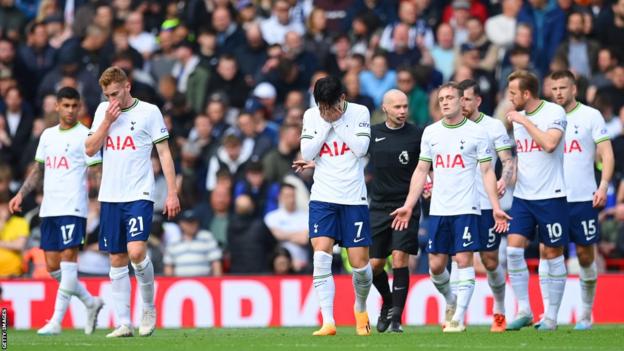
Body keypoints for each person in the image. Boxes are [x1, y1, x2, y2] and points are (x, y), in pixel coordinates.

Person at [391, 82, 510, 333]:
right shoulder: (431, 132)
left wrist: (496, 206)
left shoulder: (477, 133)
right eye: (441, 98)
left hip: (467, 207)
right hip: (439, 208)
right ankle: (451, 300)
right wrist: (409, 205)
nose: (444, 102)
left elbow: (487, 171)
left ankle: (458, 318)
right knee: (435, 266)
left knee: (464, 259)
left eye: (449, 98)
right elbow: (422, 170)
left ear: (460, 101)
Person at [85, 67, 180, 338]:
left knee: (137, 252)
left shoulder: (149, 112)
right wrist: (106, 122)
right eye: (107, 95)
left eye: (115, 93)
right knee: (116, 258)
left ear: (128, 86)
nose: (112, 99)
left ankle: (148, 308)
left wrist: (172, 192)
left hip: (139, 193)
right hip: (111, 195)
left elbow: (164, 153)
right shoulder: (103, 112)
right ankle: (124, 323)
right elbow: (90, 148)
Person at [8, 87, 104, 335]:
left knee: (69, 261)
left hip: (74, 207)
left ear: (79, 107)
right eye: (66, 105)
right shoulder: (48, 136)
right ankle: (91, 302)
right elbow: (38, 170)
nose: (70, 110)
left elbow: (96, 170)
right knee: (53, 267)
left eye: (75, 106)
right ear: (57, 107)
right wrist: (20, 193)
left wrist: (104, 198)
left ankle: (56, 321)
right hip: (49, 207)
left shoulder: (86, 135)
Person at [298, 76, 372, 336]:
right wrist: (325, 124)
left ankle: (360, 307)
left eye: (329, 106)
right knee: (320, 254)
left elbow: (362, 148)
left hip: (353, 198)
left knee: (360, 265)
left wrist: (337, 122)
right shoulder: (311, 115)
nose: (325, 112)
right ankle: (328, 321)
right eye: (321, 107)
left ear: (342, 99)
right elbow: (307, 153)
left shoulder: (360, 112)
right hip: (322, 196)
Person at [550, 70, 614, 330]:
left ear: (574, 89)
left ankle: (586, 314)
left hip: (582, 198)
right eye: (554, 89)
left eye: (563, 88)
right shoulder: (545, 117)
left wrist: (603, 185)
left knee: (586, 256)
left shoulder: (590, 116)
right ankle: (550, 316)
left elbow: (607, 154)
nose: (558, 93)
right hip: (551, 198)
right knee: (550, 253)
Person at [504, 70, 568, 331]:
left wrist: (524, 121)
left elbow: (550, 144)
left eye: (513, 93)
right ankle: (525, 310)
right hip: (523, 196)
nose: (510, 98)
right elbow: (523, 155)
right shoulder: (519, 120)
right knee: (513, 250)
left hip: (551, 196)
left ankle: (551, 317)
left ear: (526, 94)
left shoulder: (554, 113)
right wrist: (506, 177)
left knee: (553, 254)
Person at [452, 79, 515, 332]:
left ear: (478, 101)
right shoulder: (448, 127)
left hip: (486, 204)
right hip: (457, 204)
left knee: (490, 261)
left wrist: (503, 178)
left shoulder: (493, 126)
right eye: (460, 99)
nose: (462, 103)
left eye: (467, 99)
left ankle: (499, 309)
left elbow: (507, 159)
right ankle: (455, 314)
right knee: (460, 259)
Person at [365, 89, 422, 333]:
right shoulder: (372, 134)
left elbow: (426, 166)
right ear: (385, 108)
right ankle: (388, 303)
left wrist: (428, 184)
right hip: (378, 206)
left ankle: (397, 320)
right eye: (397, 107)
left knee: (400, 258)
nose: (402, 111)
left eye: (405, 106)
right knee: (375, 265)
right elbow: (348, 157)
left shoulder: (418, 135)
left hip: (405, 205)